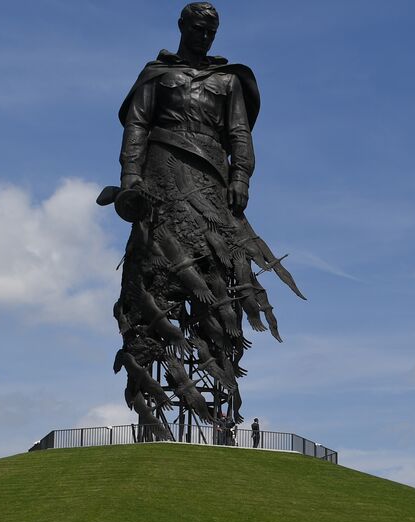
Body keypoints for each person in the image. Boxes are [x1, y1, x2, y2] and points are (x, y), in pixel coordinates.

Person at [110, 2, 304, 434]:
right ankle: (155, 401)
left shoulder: (228, 80)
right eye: (197, 28)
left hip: (211, 180)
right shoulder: (157, 75)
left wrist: (241, 177)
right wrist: (130, 178)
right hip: (162, 172)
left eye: (210, 31)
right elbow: (136, 126)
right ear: (182, 26)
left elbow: (239, 134)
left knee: (218, 269)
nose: (203, 36)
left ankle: (220, 400)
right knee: (156, 270)